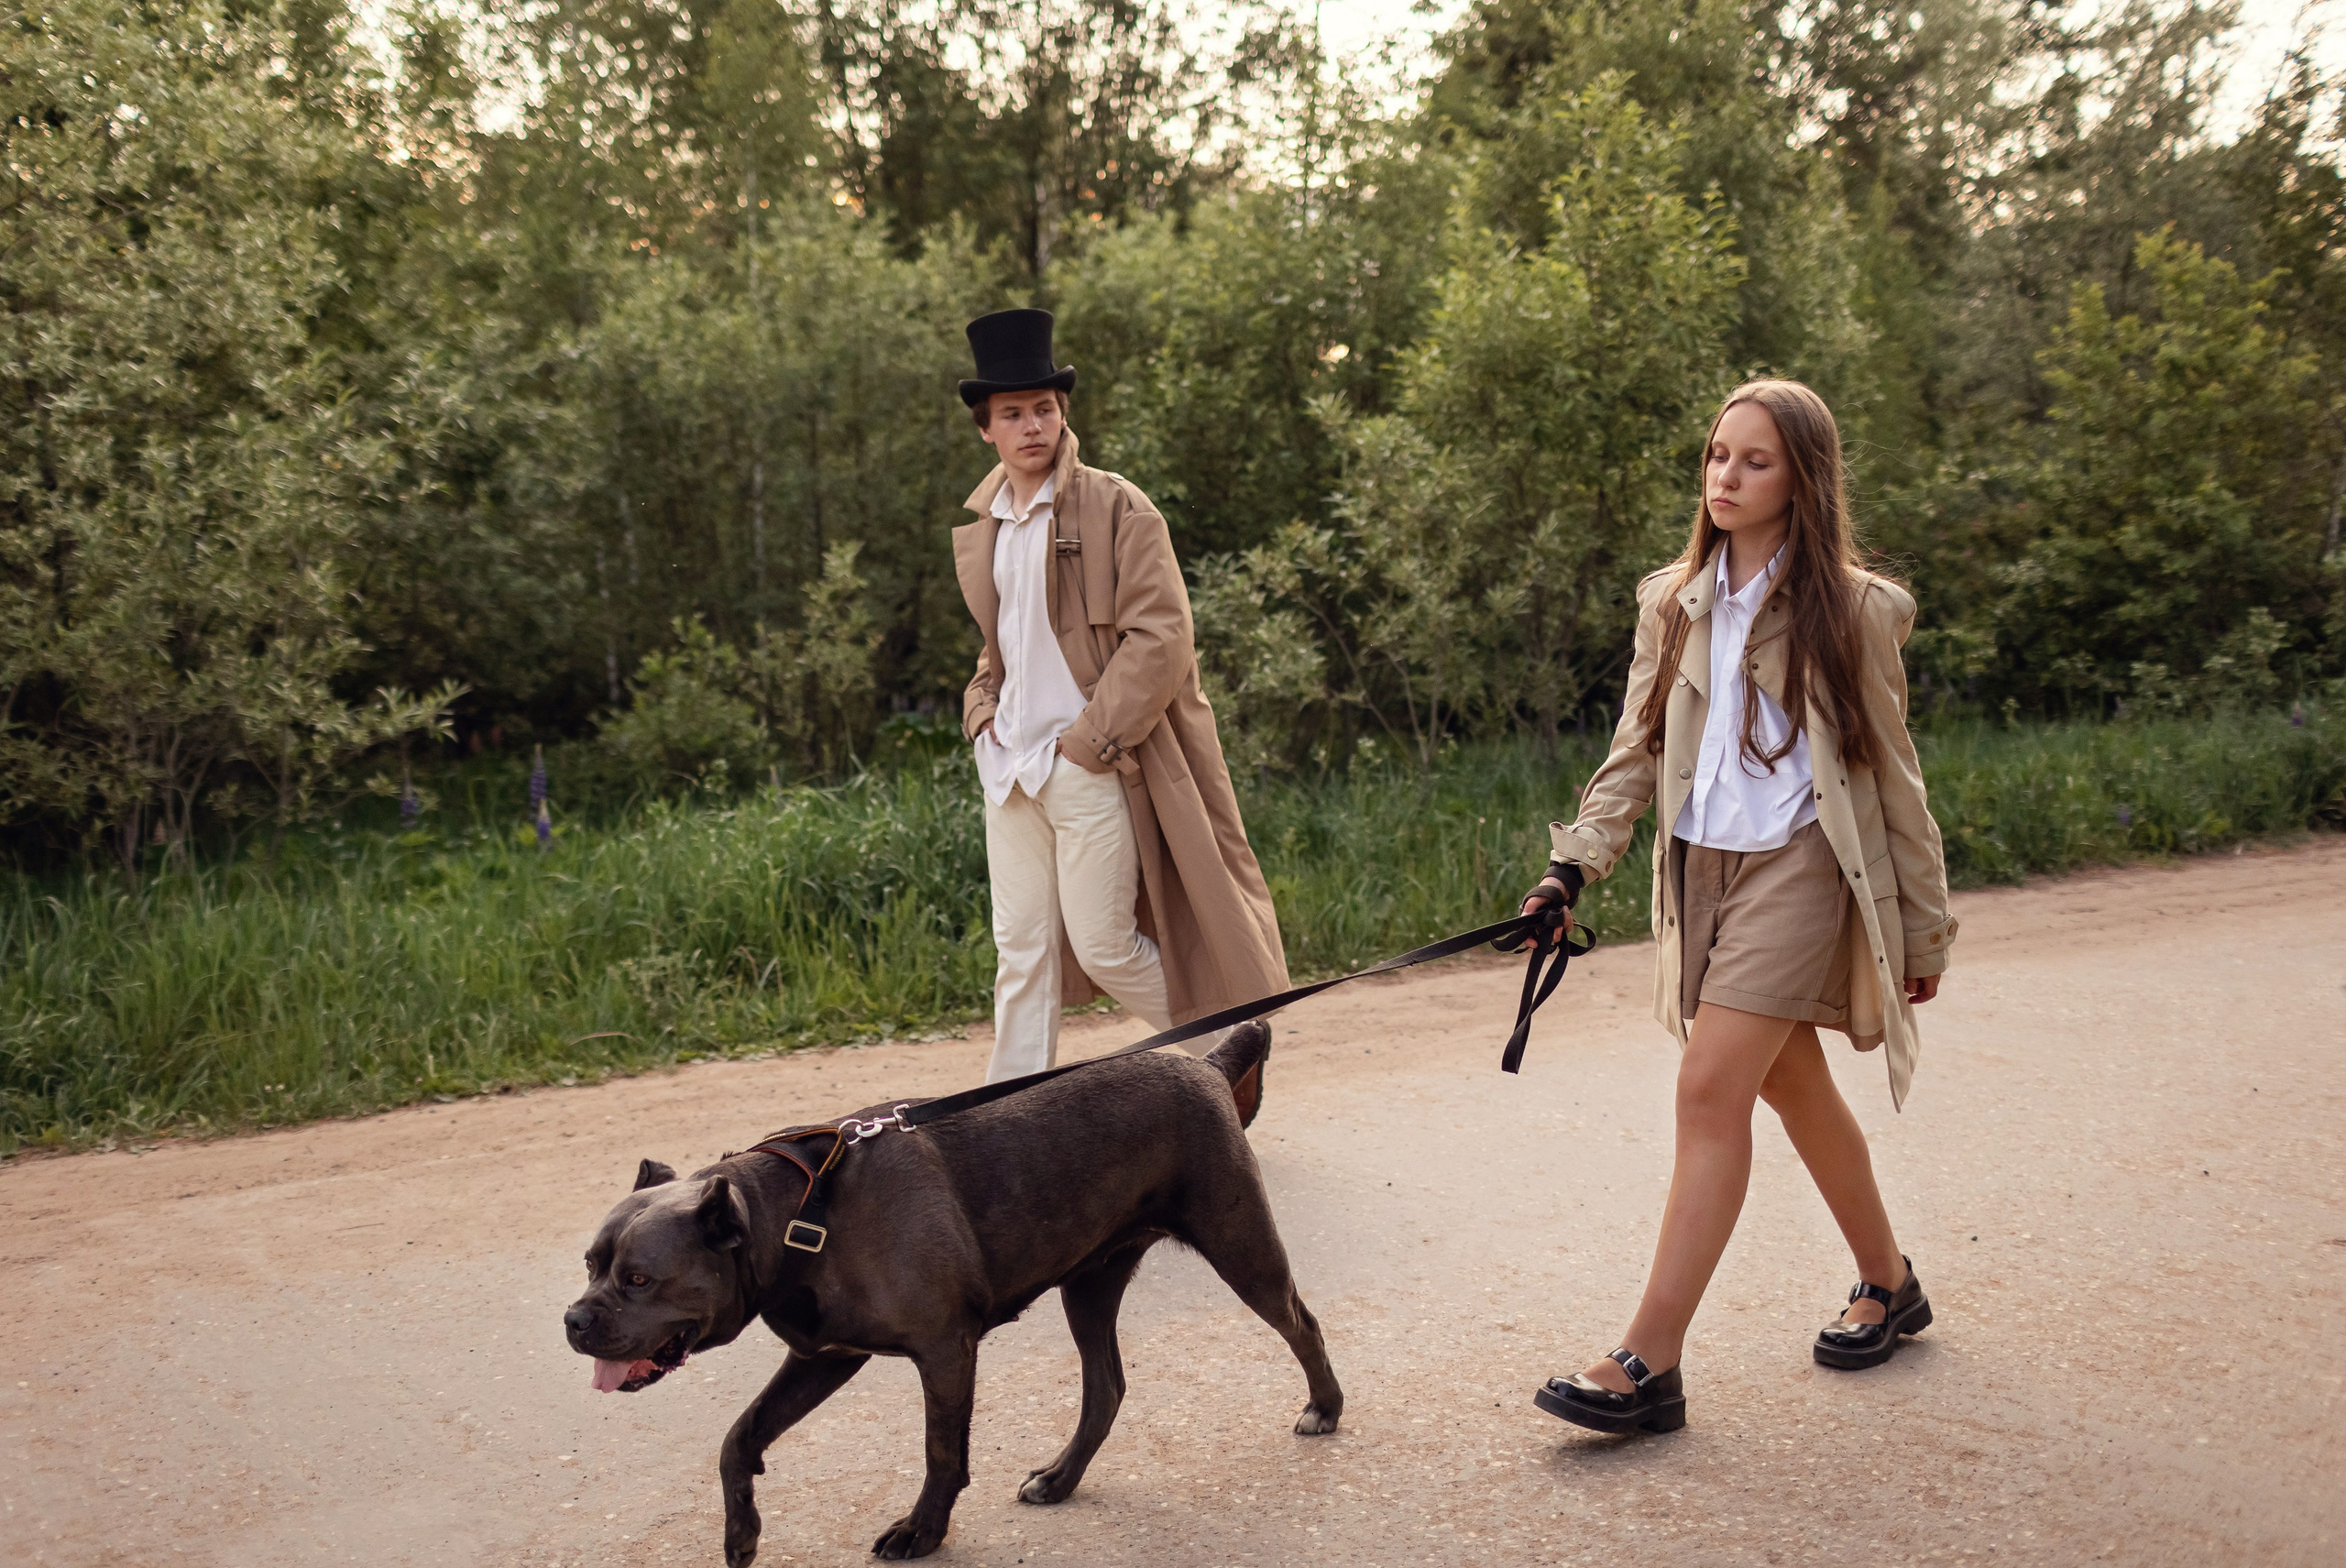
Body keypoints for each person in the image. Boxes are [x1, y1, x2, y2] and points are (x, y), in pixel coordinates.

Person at [1520, 378, 1957, 1436]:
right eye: (1717, 454)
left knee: (1710, 1086)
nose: (1724, 475)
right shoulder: (1672, 600)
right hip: (1700, 870)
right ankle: (1887, 1280)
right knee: (1791, 1086)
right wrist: (1572, 867)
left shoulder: (1850, 611)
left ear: (1802, 477)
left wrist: (1923, 921)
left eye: (1753, 461)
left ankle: (1648, 1359)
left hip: (1803, 867)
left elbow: (1894, 776)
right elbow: (1635, 750)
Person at [950, 308, 1288, 1085]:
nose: (1031, 424)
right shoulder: (989, 527)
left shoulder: (1117, 507)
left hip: (1088, 762)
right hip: (1009, 769)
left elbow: (1162, 637)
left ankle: (1225, 1051)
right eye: (1012, 414)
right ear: (987, 431)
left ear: (1062, 412)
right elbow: (1002, 645)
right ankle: (1005, 1119)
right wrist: (980, 720)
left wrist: (1088, 744)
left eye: (1043, 407)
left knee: (1103, 942)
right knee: (1022, 951)